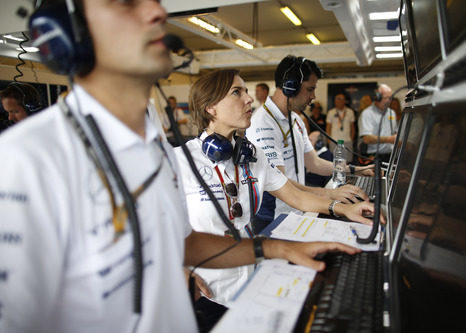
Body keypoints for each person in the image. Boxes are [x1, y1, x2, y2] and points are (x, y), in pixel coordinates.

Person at [0, 2, 365, 333]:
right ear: (66, 33)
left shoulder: (155, 146)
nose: (157, 12)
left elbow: (184, 243)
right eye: (125, 3)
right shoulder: (26, 159)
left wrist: (280, 249)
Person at [174, 69, 380, 326]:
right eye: (237, 93)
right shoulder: (179, 161)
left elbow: (295, 196)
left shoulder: (252, 156)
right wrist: (174, 269)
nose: (249, 99)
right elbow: (150, 231)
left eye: (247, 91)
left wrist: (341, 208)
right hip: (205, 294)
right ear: (210, 108)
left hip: (251, 282)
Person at [246, 55, 374, 226]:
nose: (313, 96)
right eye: (310, 89)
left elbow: (313, 163)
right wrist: (328, 194)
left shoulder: (295, 119)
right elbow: (278, 180)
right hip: (273, 218)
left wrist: (357, 170)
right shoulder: (262, 123)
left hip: (297, 209)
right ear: (290, 87)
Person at [358, 84, 398, 163]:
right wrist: (389, 139)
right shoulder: (367, 113)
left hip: (390, 156)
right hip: (373, 157)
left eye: (390, 98)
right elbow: (366, 138)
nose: (388, 101)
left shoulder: (391, 113)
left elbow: (395, 133)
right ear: (377, 97)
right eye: (385, 98)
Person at [325, 93, 356, 162]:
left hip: (347, 141)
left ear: (344, 101)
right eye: (336, 99)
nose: (338, 101)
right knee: (334, 162)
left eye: (340, 99)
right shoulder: (331, 112)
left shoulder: (350, 112)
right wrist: (329, 141)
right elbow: (328, 128)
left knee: (347, 162)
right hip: (334, 141)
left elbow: (353, 128)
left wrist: (351, 139)